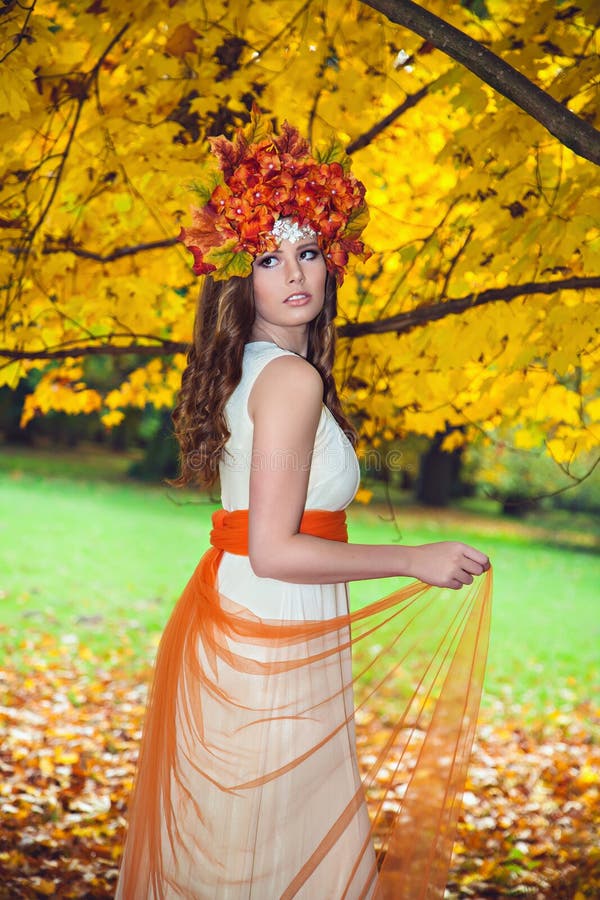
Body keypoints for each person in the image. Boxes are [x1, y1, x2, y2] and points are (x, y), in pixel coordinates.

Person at [115, 112, 491, 900]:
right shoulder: (290, 380)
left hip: (261, 617)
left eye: (309, 251)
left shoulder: (260, 369)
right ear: (237, 277)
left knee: (253, 849)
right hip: (274, 623)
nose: (296, 273)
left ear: (332, 262)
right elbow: (277, 547)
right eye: (268, 256)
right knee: (285, 851)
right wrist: (411, 560)